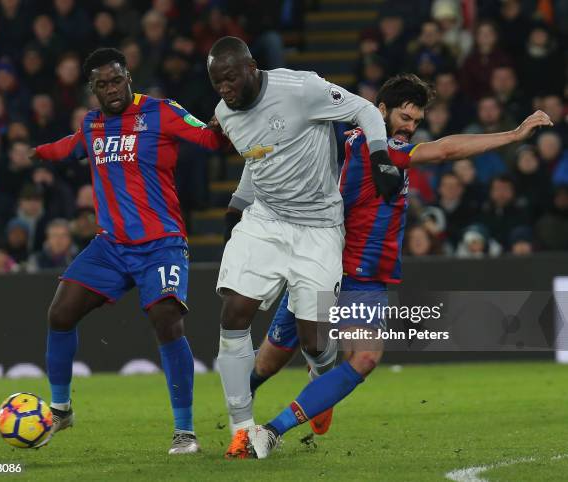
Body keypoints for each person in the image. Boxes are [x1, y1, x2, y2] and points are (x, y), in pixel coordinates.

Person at [227, 74, 552, 459]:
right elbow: (445, 151)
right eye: (403, 116)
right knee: (272, 357)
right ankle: (240, 422)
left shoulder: (375, 144)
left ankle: (270, 430)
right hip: (330, 266)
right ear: (379, 111)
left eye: (415, 121)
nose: (409, 127)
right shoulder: (371, 143)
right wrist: (512, 136)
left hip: (362, 275)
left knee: (363, 357)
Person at [30, 47, 226, 454]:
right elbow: (70, 145)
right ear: (93, 89)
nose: (111, 89)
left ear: (128, 78)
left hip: (162, 243)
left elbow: (208, 138)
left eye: (116, 80)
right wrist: (38, 153)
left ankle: (185, 431)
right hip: (112, 246)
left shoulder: (162, 111)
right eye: (102, 84)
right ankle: (62, 410)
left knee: (166, 319)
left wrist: (224, 120)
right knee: (60, 313)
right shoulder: (93, 124)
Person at [206, 36, 395, 457]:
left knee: (313, 341)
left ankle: (320, 383)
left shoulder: (301, 88)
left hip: (319, 228)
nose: (224, 89)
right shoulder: (225, 113)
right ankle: (242, 427)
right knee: (234, 312)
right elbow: (259, 159)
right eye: (217, 82)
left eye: (230, 78)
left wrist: (380, 154)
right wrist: (237, 206)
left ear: (251, 67)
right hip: (267, 223)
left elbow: (364, 109)